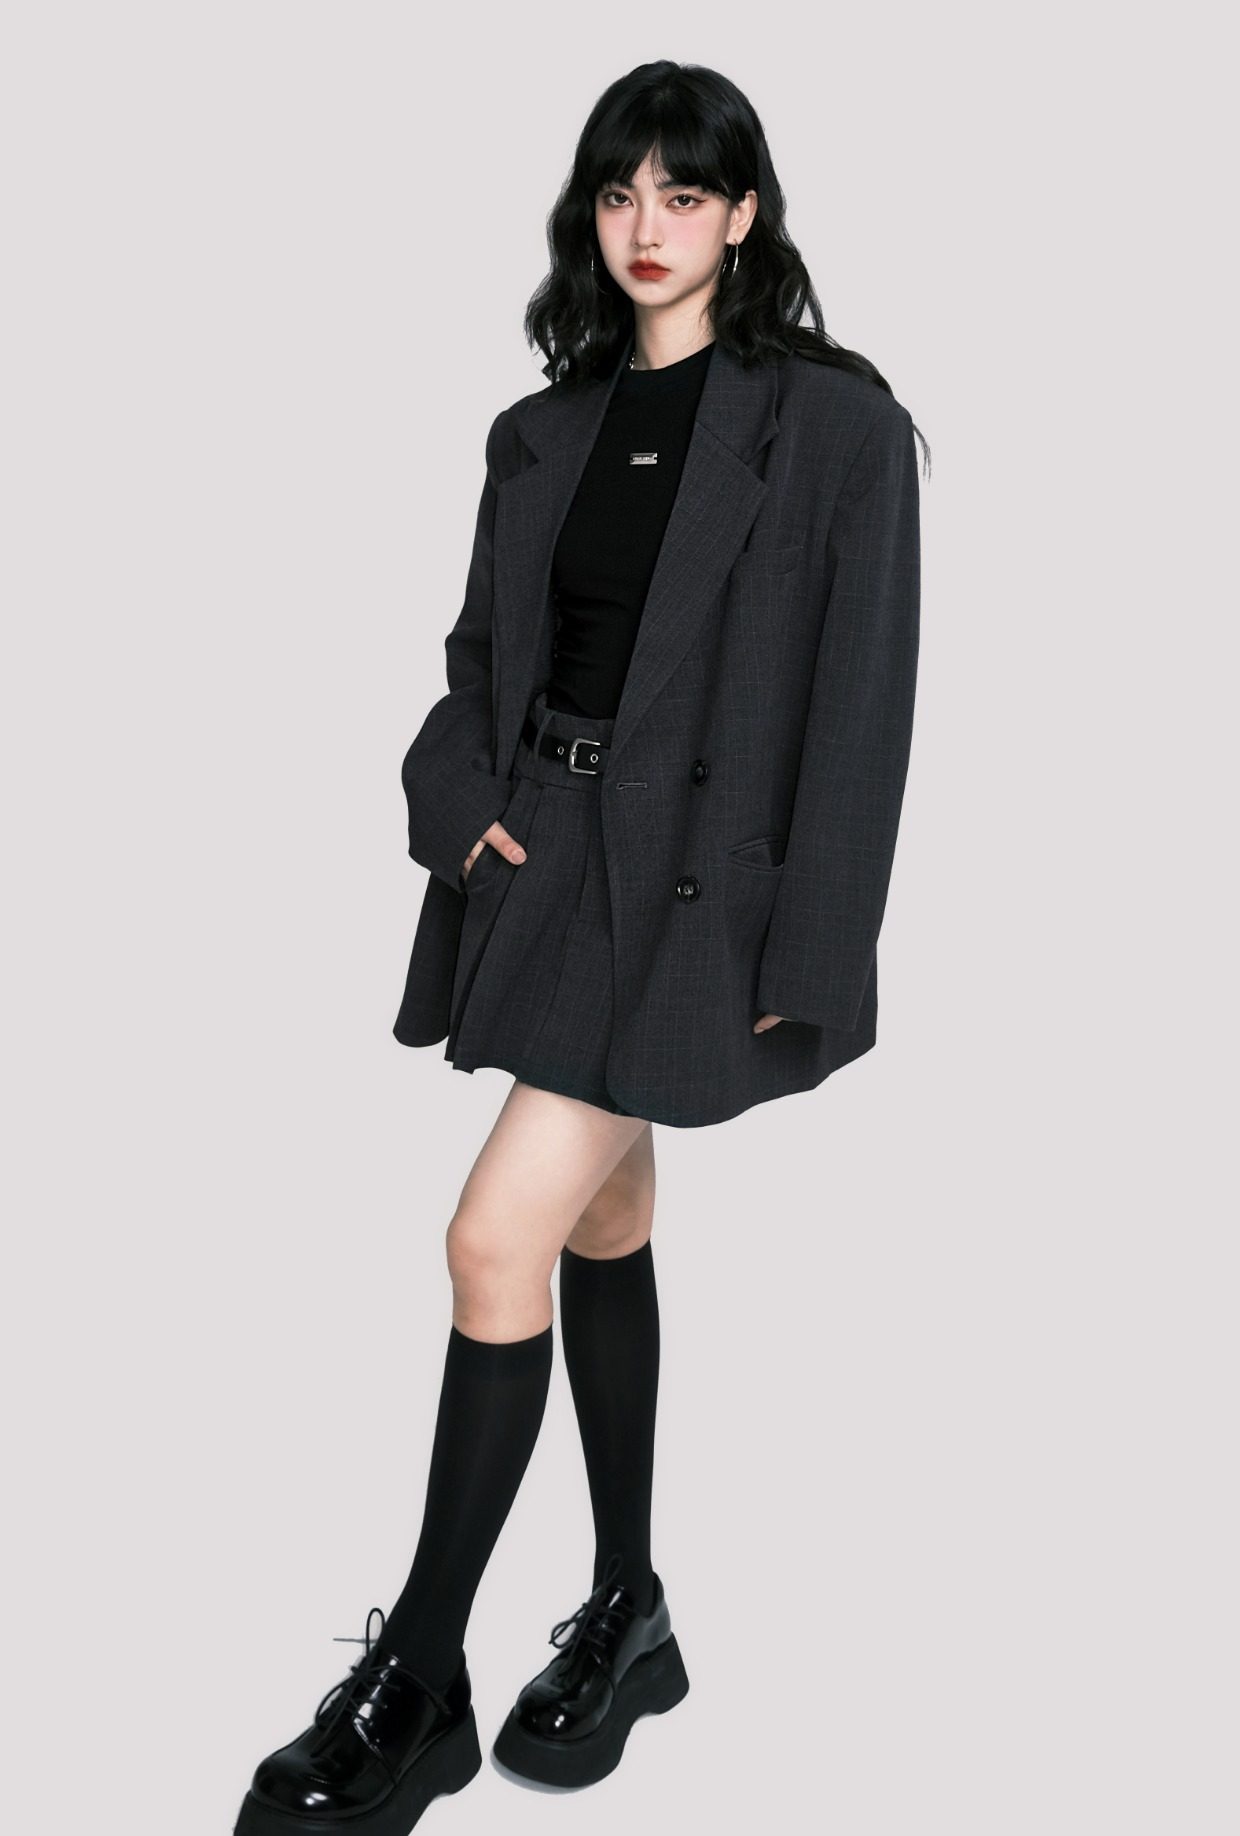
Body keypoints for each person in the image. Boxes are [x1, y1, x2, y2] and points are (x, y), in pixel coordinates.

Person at [234, 57, 927, 1836]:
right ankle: (631, 1615)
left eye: (684, 194)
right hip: (546, 865)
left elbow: (862, 715)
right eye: (621, 193)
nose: (647, 226)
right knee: (598, 1221)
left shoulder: (836, 431)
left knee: (491, 1238)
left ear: (744, 215)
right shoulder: (539, 432)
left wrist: (812, 954)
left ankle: (419, 1682)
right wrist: (462, 807)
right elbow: (476, 663)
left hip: (693, 900)